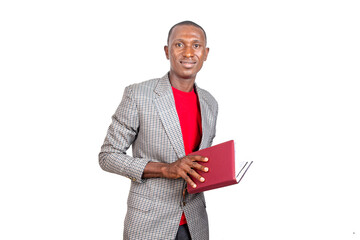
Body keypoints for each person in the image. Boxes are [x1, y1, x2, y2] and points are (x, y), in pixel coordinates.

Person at [99, 20, 218, 240]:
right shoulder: (138, 95)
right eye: (179, 44)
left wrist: (222, 172)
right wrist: (165, 169)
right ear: (167, 51)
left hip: (195, 223)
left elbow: (200, 162)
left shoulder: (210, 103)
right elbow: (107, 156)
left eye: (196, 45)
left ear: (206, 53)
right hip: (148, 223)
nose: (189, 52)